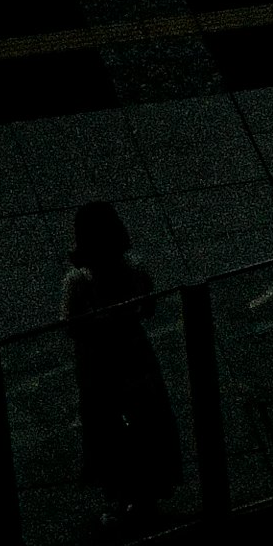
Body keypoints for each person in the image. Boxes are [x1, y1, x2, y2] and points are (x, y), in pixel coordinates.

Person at [61, 196, 180, 527]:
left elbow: (70, 324)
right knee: (147, 420)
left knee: (107, 425)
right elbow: (149, 308)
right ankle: (145, 496)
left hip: (99, 364)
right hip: (134, 356)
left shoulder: (79, 281)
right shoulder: (134, 271)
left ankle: (122, 497)